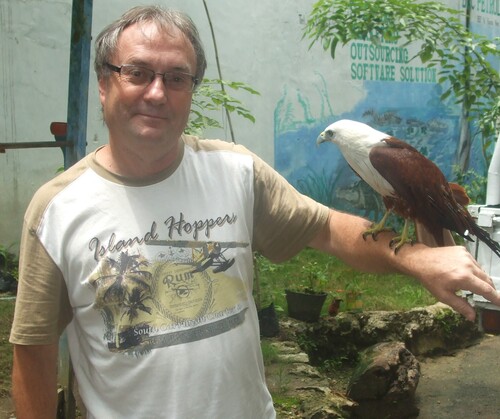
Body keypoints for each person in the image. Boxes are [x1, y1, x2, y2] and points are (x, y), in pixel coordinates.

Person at [9, 5, 500, 419]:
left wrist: (415, 257)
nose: (157, 92)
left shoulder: (236, 172)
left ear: (192, 89)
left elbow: (328, 227)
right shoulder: (57, 210)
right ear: (104, 83)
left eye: (176, 78)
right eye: (137, 73)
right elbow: (32, 354)